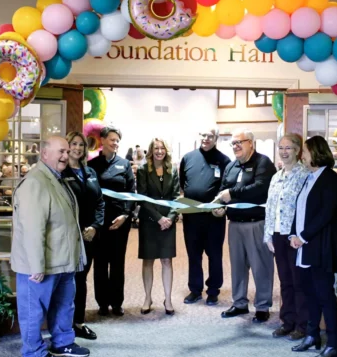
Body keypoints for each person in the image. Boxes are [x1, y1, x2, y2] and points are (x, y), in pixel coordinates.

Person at [11, 135, 89, 357]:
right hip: (41, 263)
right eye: (60, 151)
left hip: (62, 260)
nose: (66, 155)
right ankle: (32, 352)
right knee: (34, 310)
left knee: (64, 305)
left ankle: (63, 342)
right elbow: (33, 228)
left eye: (67, 151)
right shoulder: (36, 182)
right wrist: (36, 265)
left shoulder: (56, 179)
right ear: (45, 154)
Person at [289, 136, 337, 357]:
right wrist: (293, 233)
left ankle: (333, 345)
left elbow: (325, 214)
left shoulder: (330, 178)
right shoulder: (309, 177)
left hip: (320, 246)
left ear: (317, 152)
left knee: (325, 295)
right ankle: (313, 335)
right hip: (304, 246)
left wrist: (303, 236)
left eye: (306, 152)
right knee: (309, 293)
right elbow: (299, 208)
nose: (303, 156)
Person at [216, 129, 277, 323]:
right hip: (234, 225)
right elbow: (222, 191)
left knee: (261, 267)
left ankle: (262, 306)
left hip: (256, 223)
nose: (236, 146)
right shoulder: (231, 166)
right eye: (233, 144)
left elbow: (260, 188)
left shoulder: (263, 163)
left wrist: (232, 194)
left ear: (251, 143)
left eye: (239, 142)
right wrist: (220, 207)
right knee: (238, 267)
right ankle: (240, 303)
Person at [264, 134, 310, 341]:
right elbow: (270, 209)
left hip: (294, 236)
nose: (284, 152)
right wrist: (268, 236)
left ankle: (302, 325)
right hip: (277, 235)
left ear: (298, 151)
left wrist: (300, 235)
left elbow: (306, 209)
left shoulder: (305, 175)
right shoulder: (276, 176)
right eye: (281, 148)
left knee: (299, 281)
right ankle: (287, 321)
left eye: (288, 148)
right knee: (284, 281)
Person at [179, 127, 231, 305]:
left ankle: (214, 290)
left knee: (214, 254)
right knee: (194, 254)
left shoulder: (224, 160)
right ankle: (195, 289)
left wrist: (223, 208)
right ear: (199, 135)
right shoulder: (188, 158)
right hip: (191, 216)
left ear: (216, 138)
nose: (206, 139)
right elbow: (182, 185)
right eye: (203, 135)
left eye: (211, 136)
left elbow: (227, 188)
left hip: (214, 217)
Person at [88, 126, 135, 316]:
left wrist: (125, 215)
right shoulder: (92, 165)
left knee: (117, 264)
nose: (115, 143)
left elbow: (131, 193)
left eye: (117, 141)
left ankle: (117, 303)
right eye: (112, 139)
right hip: (99, 223)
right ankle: (102, 303)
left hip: (119, 223)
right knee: (100, 264)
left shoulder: (125, 165)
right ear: (103, 140)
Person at [63, 131, 104, 341]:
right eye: (73, 144)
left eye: (81, 144)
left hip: (89, 236)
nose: (77, 148)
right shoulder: (60, 173)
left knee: (82, 279)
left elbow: (99, 202)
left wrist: (95, 226)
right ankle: (62, 324)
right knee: (66, 280)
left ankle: (79, 322)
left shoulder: (91, 172)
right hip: (69, 236)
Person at [137, 138, 181, 315]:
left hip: (168, 222)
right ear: (150, 150)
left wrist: (169, 218)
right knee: (148, 260)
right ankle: (147, 298)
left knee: (166, 261)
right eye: (156, 148)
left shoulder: (173, 169)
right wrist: (158, 218)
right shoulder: (143, 170)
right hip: (149, 220)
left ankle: (168, 299)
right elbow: (142, 197)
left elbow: (177, 196)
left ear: (166, 151)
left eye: (162, 148)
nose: (159, 151)